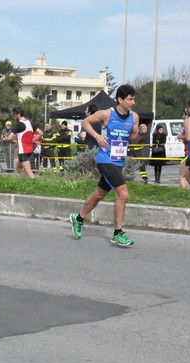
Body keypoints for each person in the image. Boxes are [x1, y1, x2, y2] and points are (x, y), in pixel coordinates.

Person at [69, 84, 140, 246]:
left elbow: (134, 138)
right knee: (123, 194)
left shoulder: (134, 117)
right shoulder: (107, 114)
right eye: (130, 99)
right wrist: (96, 136)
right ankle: (118, 232)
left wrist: (141, 132)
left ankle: (78, 218)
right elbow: (85, 122)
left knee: (99, 195)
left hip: (119, 161)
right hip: (105, 160)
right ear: (120, 99)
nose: (133, 102)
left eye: (134, 99)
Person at [3, 105, 42, 179]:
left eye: (14, 115)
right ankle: (26, 181)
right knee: (18, 167)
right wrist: (32, 141)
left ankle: (35, 185)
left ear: (19, 114)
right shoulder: (30, 123)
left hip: (23, 152)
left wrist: (6, 138)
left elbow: (10, 137)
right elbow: (40, 133)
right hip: (29, 150)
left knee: (30, 173)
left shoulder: (18, 125)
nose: (14, 118)